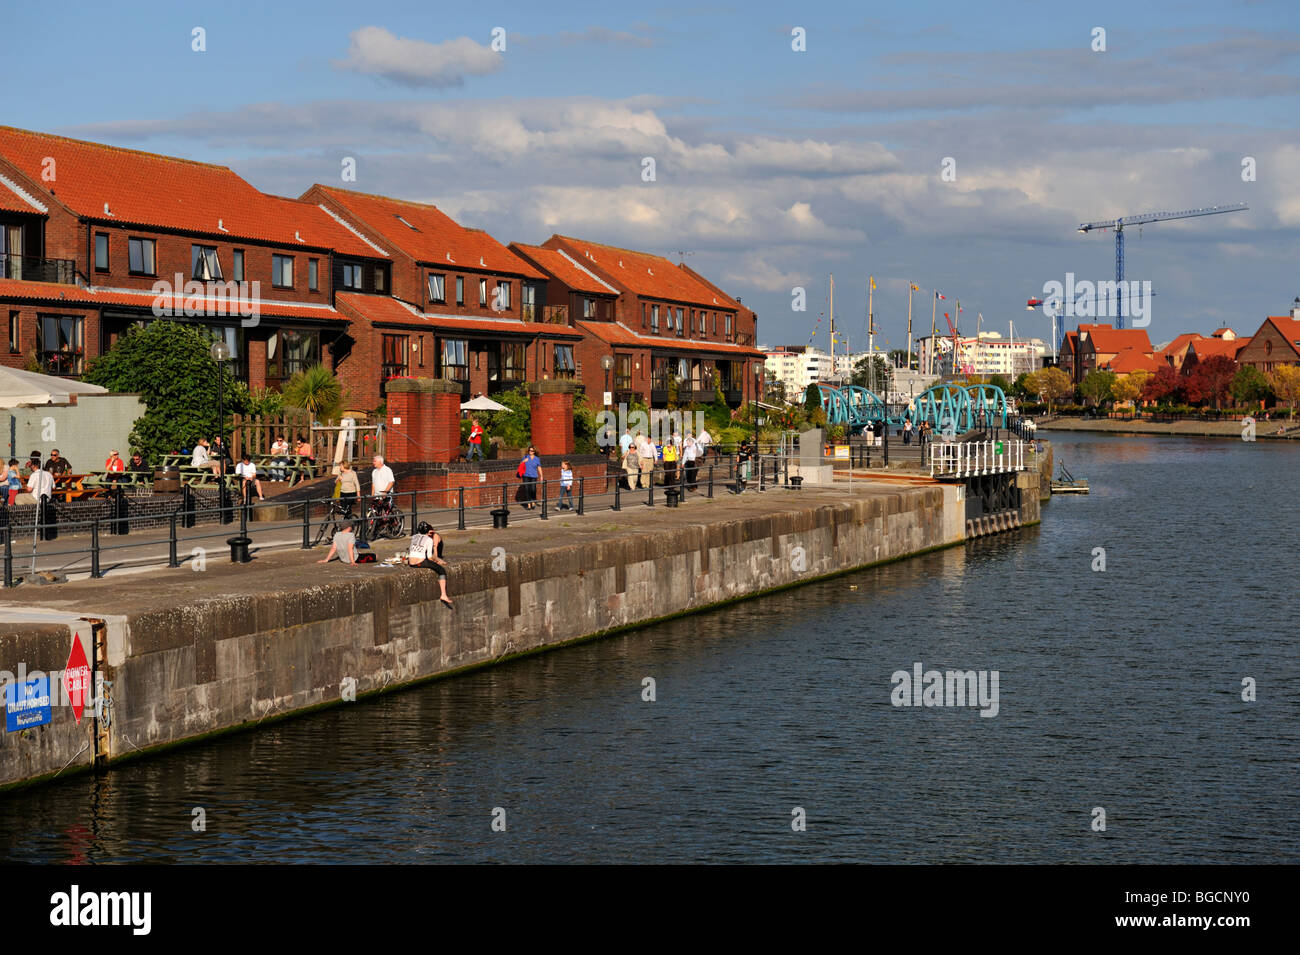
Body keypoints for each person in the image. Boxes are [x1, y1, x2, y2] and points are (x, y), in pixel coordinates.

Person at [405, 521, 453, 607]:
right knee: (441, 570)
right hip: (419, 562)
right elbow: (430, 557)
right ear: (428, 531)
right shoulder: (429, 540)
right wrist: (439, 560)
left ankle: (444, 595)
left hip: (411, 561)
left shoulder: (414, 537)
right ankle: (443, 595)